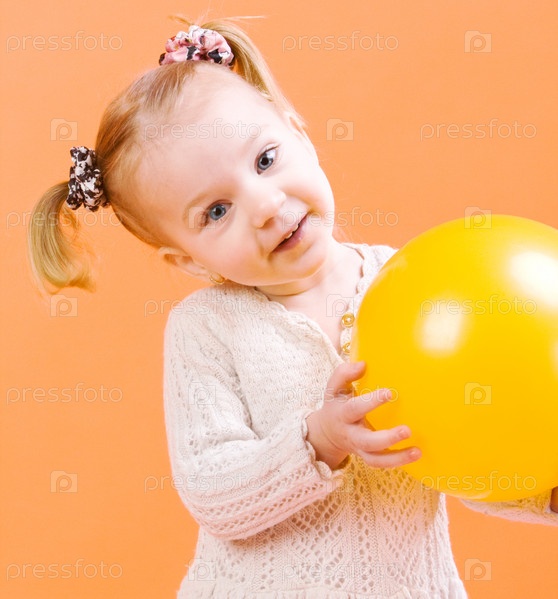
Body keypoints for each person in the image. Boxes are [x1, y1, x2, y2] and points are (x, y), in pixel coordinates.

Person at [28, 17, 558, 598]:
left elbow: (462, 443)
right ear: (188, 261)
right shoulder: (208, 329)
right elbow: (212, 493)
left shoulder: (411, 282)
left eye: (265, 160)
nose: (263, 205)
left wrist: (541, 492)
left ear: (299, 133)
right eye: (216, 212)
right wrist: (319, 440)